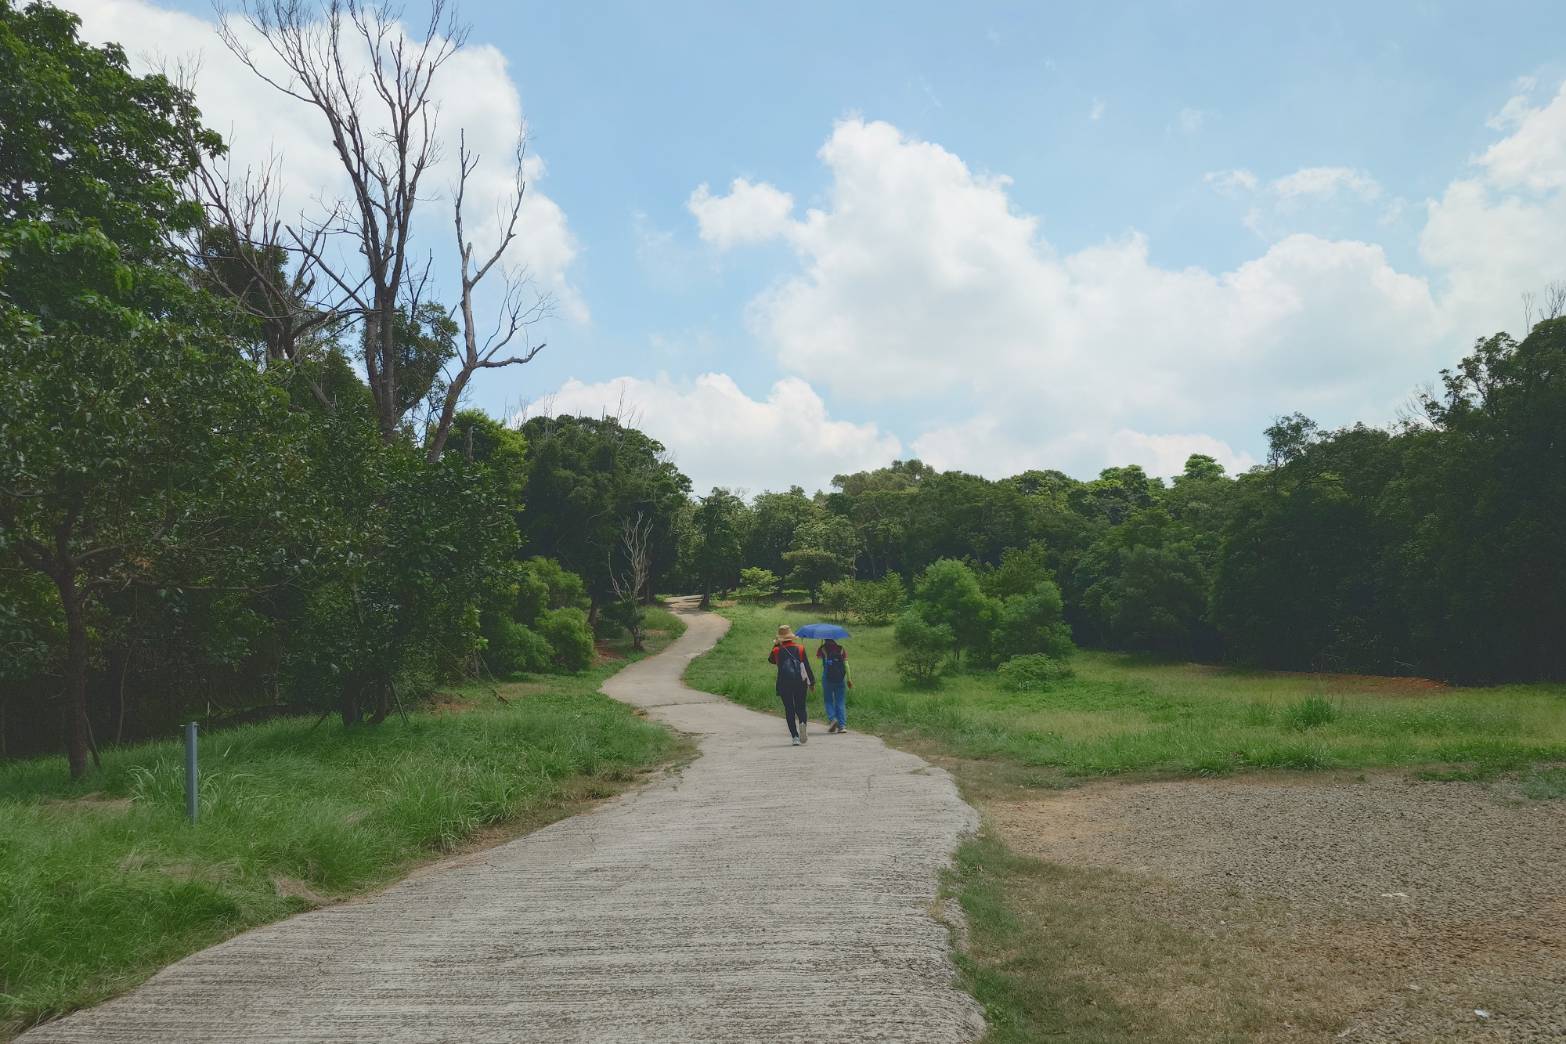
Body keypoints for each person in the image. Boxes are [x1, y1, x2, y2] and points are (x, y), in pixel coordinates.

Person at [768, 624, 815, 745]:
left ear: (780, 638)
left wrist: (777, 643)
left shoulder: (777, 650)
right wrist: (812, 682)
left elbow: (771, 660)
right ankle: (802, 723)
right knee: (801, 706)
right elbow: (807, 666)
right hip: (800, 681)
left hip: (784, 682)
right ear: (791, 636)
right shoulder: (800, 648)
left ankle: (795, 737)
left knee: (789, 709)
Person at [816, 638, 851, 733]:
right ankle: (842, 725)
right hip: (840, 678)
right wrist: (849, 679)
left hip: (827, 677)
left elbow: (818, 657)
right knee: (840, 701)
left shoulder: (823, 648)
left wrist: (822, 648)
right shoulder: (841, 648)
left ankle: (833, 719)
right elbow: (846, 665)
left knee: (828, 700)